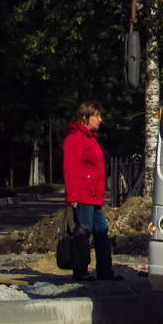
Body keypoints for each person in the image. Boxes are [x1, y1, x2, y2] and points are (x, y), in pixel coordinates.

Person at [63, 101, 122, 281]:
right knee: (83, 231)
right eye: (96, 116)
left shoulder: (90, 138)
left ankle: (105, 271)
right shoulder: (75, 138)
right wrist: (72, 196)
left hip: (94, 195)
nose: (100, 119)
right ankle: (80, 271)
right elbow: (70, 167)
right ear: (85, 117)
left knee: (101, 230)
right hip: (83, 194)